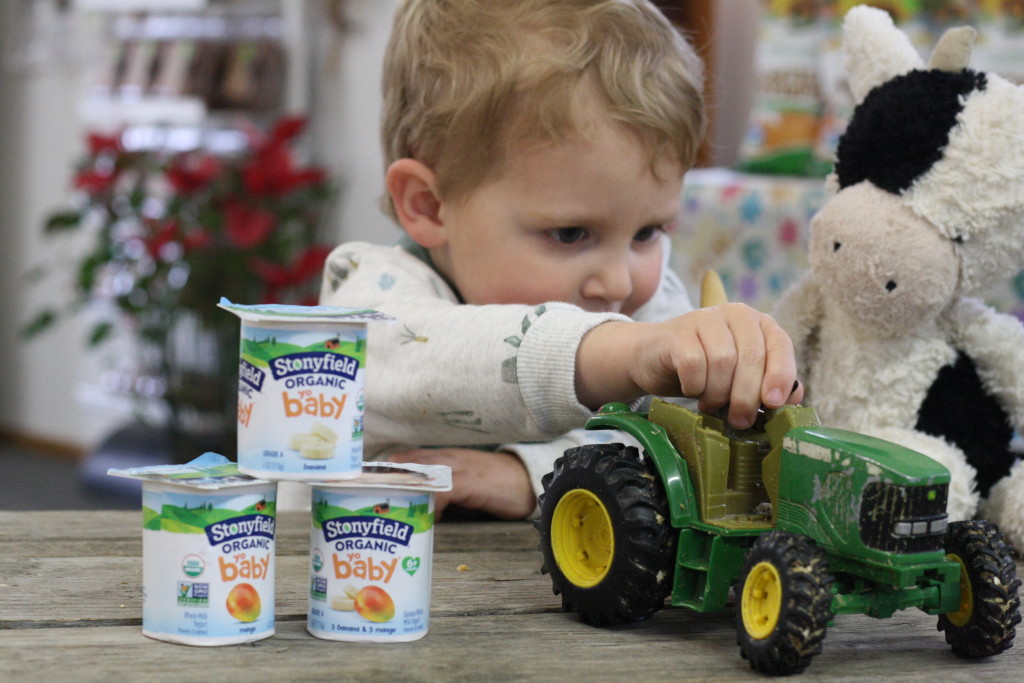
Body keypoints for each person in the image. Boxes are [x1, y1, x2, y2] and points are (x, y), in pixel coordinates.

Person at [318, 0, 802, 520]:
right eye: (571, 234)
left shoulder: (648, 310)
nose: (618, 282)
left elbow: (679, 453)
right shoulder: (369, 298)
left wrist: (748, 388)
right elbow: (410, 363)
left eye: (647, 232)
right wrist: (623, 354)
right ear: (428, 205)